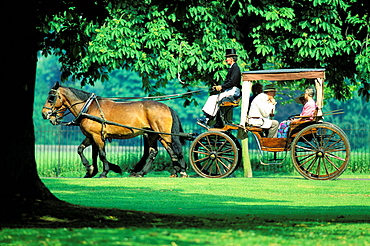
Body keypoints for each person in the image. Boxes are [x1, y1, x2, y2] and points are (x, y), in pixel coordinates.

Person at [198, 49, 241, 126]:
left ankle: (208, 119)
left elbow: (232, 82)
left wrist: (221, 86)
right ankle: (210, 119)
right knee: (213, 98)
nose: (225, 60)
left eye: (227, 58)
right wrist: (218, 87)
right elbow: (229, 82)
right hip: (230, 90)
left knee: (214, 98)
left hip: (233, 91)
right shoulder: (232, 68)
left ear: (231, 58)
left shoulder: (235, 68)